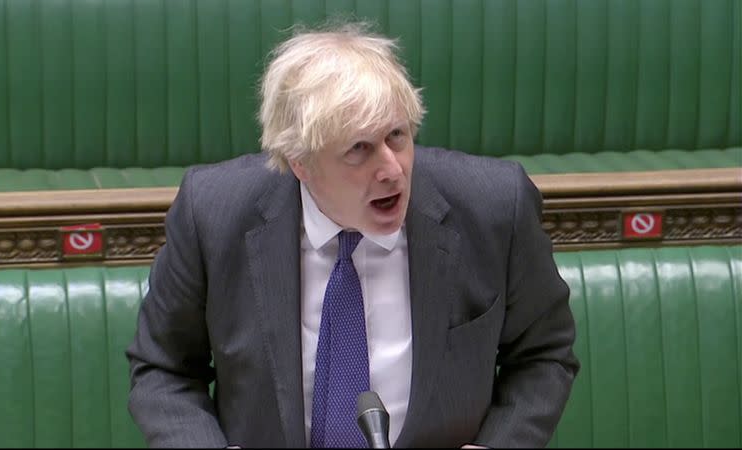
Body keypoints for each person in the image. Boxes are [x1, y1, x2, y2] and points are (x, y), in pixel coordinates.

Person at [126, 21, 579, 449]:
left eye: (397, 136)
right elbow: (163, 368)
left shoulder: (494, 206)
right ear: (299, 163)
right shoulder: (213, 213)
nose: (391, 170)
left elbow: (544, 354)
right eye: (358, 149)